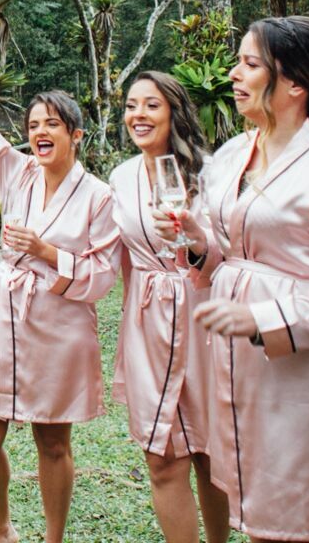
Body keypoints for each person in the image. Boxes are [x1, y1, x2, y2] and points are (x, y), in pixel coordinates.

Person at [172, 15, 309, 543]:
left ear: (293, 84)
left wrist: (261, 316)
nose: (234, 74)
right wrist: (199, 244)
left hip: (308, 367)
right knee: (258, 504)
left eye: (249, 63)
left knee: (307, 509)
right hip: (238, 360)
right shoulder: (229, 157)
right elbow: (228, 256)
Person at [0, 19, 117, 543]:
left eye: (53, 125)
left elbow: (102, 276)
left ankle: (53, 538)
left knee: (53, 440)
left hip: (59, 323)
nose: (40, 132)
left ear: (76, 135)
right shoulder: (15, 171)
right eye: (34, 124)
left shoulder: (99, 197)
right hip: (4, 312)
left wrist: (46, 252)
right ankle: (2, 529)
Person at [119, 72, 229, 543]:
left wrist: (194, 240)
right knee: (162, 457)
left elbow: (233, 250)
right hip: (147, 322)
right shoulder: (120, 177)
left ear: (174, 113)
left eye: (151, 106)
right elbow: (117, 257)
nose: (137, 116)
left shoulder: (211, 173)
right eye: (130, 106)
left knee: (210, 452)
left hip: (202, 314)